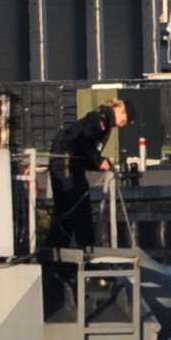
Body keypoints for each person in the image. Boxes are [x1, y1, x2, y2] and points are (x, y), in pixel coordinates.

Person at [49, 99, 128, 248]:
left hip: (68, 161)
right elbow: (83, 139)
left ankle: (57, 249)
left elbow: (84, 147)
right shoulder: (101, 119)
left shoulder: (100, 118)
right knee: (78, 207)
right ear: (120, 111)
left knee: (65, 209)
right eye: (125, 120)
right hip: (66, 160)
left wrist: (97, 162)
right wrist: (98, 161)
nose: (123, 125)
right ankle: (85, 249)